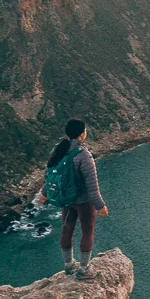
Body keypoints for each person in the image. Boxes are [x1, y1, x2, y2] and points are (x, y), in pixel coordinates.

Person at [40, 119, 108, 280]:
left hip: (66, 199)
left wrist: (44, 193)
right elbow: (92, 187)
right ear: (82, 134)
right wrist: (100, 206)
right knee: (87, 232)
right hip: (83, 202)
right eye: (85, 130)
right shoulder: (83, 155)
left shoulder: (58, 149)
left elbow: (51, 174)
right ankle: (84, 269)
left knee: (67, 229)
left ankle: (68, 265)